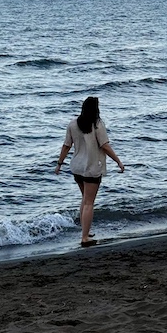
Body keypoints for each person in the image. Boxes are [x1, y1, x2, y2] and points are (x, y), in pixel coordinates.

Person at [56, 95, 124, 247]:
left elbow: (66, 146)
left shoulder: (73, 124)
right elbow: (105, 145)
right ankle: (85, 237)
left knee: (85, 199)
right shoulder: (97, 124)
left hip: (77, 167)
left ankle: (85, 231)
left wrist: (59, 164)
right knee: (88, 202)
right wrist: (118, 161)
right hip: (91, 168)